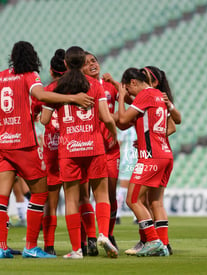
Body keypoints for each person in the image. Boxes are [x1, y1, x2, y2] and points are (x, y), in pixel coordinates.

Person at [0, 41, 94, 259]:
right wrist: (73, 98)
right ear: (32, 56)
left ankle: (2, 247)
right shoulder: (29, 75)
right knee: (41, 192)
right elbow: (41, 95)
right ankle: (31, 246)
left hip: (1, 146)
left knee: (0, 197)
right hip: (23, 145)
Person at [41, 46, 118, 259]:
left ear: (65, 64)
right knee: (101, 194)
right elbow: (106, 118)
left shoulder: (55, 88)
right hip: (94, 146)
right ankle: (103, 234)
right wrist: (113, 134)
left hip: (69, 149)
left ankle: (76, 249)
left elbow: (45, 120)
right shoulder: (95, 85)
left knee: (72, 199)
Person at [124, 66, 182, 256]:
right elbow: (173, 125)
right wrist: (149, 137)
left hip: (151, 156)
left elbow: (122, 120)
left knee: (133, 199)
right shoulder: (159, 97)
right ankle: (162, 245)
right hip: (165, 154)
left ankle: (151, 240)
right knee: (155, 202)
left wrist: (118, 96)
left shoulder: (146, 95)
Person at [82, 52, 121, 249]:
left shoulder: (109, 87)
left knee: (111, 194)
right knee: (85, 195)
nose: (92, 65)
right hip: (88, 147)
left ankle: (109, 234)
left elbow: (128, 105)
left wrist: (115, 84)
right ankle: (87, 237)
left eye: (94, 61)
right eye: (87, 63)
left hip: (110, 149)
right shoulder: (80, 88)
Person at [40, 49, 67, 256]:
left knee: (51, 203)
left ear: (51, 70)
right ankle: (84, 244)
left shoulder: (46, 90)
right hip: (74, 146)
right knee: (80, 199)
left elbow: (39, 118)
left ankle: (49, 246)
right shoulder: (78, 88)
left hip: (51, 149)